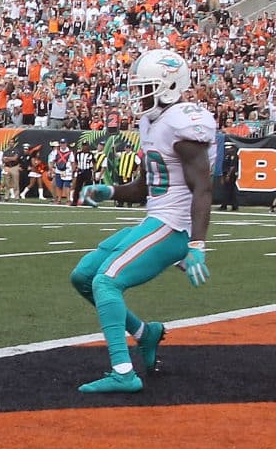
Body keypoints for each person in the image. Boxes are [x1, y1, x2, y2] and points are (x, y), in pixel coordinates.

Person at [73, 49, 216, 393]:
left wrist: (196, 243)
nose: (141, 94)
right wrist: (109, 190)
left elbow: (203, 188)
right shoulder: (152, 121)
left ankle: (123, 372)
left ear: (169, 85)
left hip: (173, 227)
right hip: (155, 220)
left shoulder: (184, 123)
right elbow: (144, 186)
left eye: (147, 87)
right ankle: (145, 333)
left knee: (106, 282)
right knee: (84, 276)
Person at [218, 142, 239, 211]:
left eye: (228, 147)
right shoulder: (227, 154)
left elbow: (232, 166)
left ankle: (224, 206)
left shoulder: (233, 155)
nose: (227, 149)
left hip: (231, 175)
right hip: (227, 174)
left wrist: (228, 175)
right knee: (231, 190)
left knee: (227, 190)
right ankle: (234, 205)